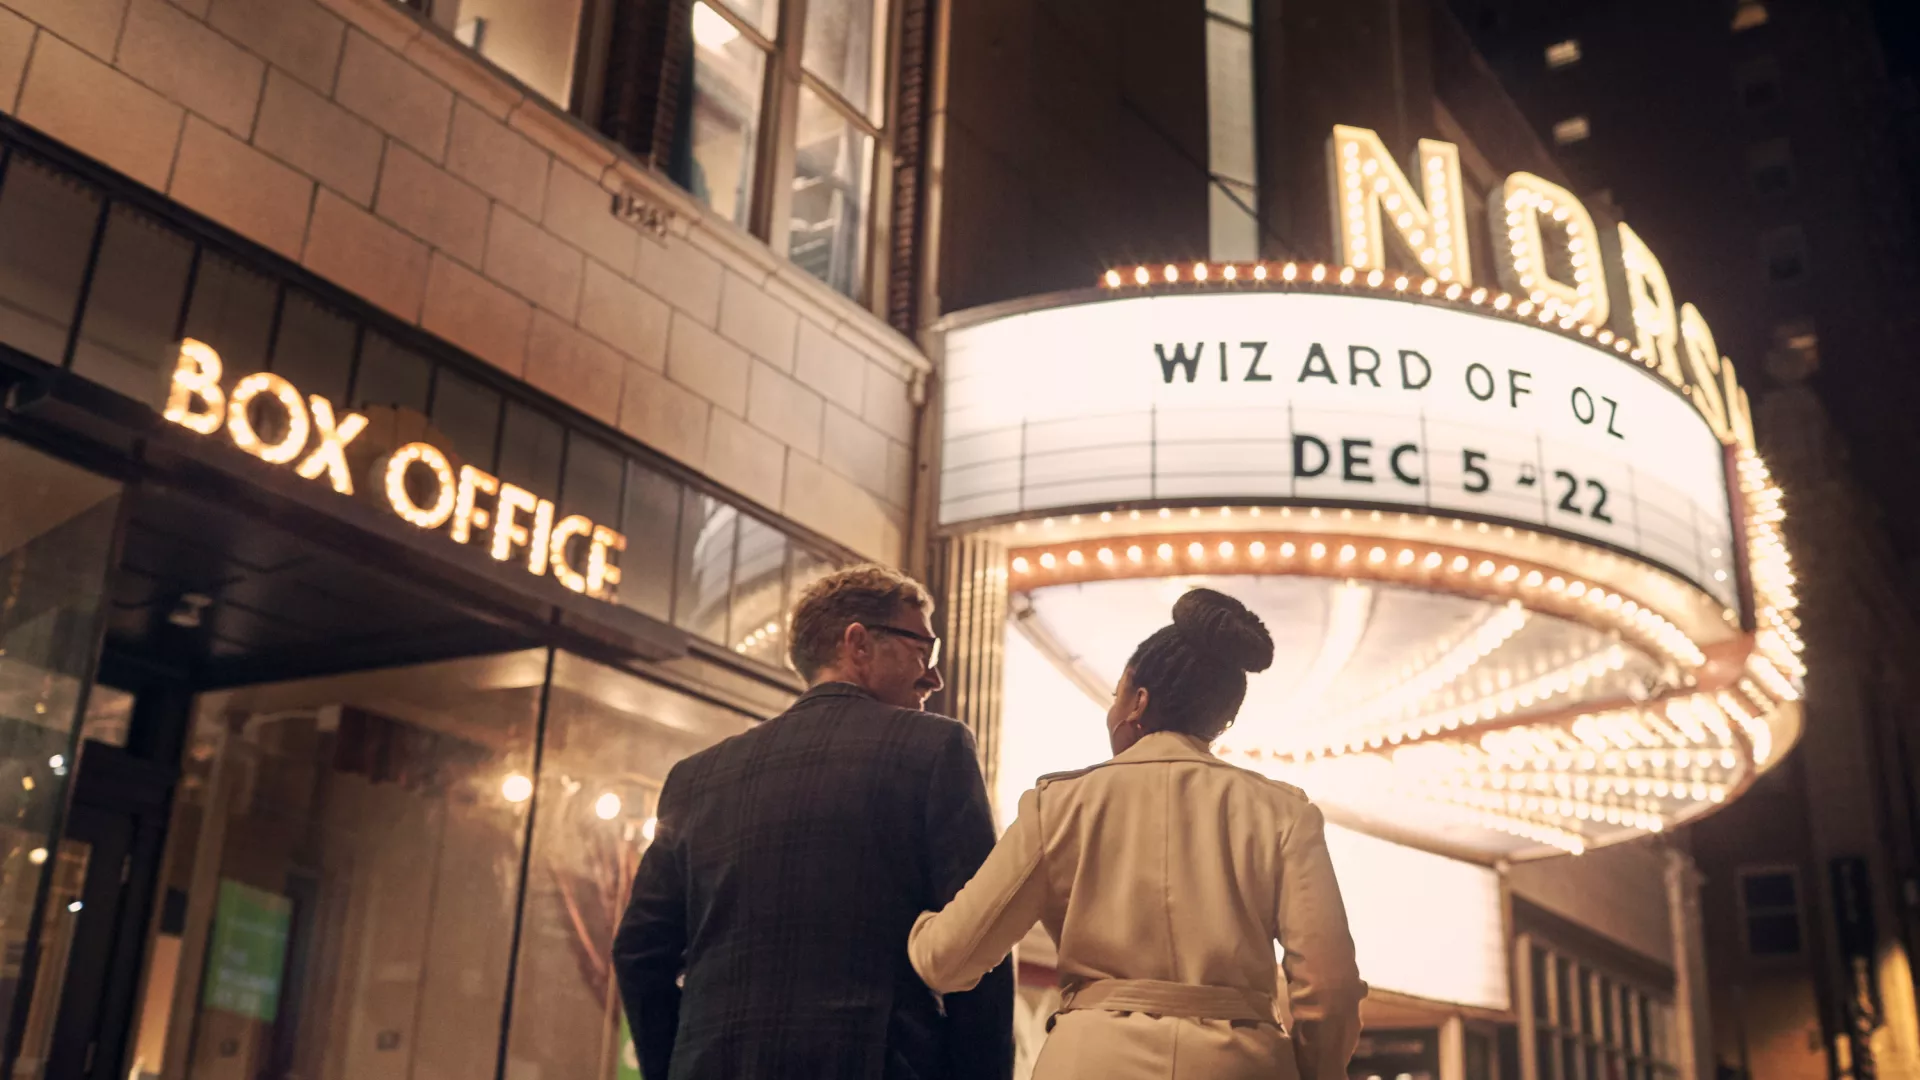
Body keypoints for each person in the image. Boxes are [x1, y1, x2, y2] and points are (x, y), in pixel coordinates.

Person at [906, 587, 1365, 1080]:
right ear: (1222, 719)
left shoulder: (1060, 805)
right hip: (1242, 1061)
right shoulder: (1284, 813)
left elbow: (948, 961)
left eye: (1115, 695)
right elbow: (1330, 987)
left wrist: (914, 925)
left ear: (1137, 701)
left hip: (1092, 1061)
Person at [613, 564, 1014, 1080]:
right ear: (859, 644)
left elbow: (639, 950)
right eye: (923, 650)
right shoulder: (936, 748)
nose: (933, 676)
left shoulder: (695, 779)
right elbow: (978, 941)